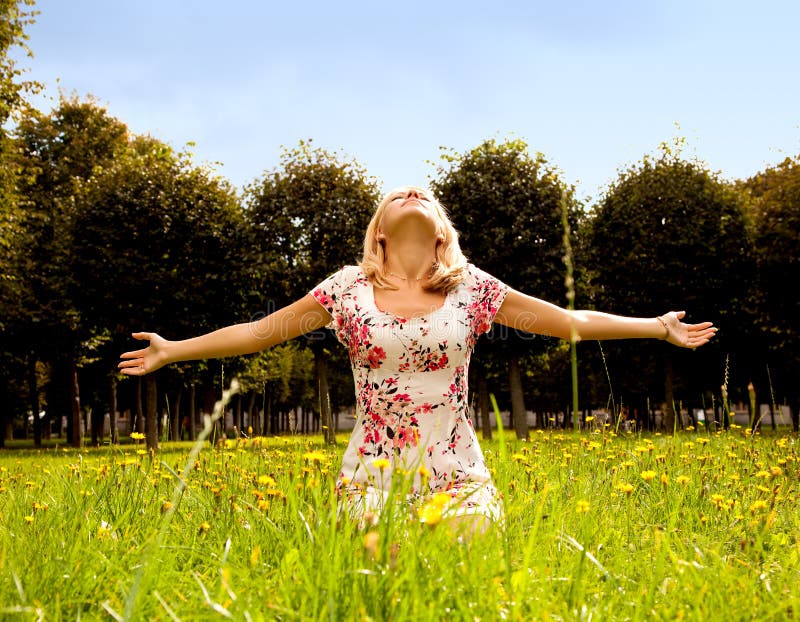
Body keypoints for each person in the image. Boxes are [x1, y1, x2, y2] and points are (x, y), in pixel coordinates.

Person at [119, 186, 716, 532]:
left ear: (440, 232)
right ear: (379, 231)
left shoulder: (472, 289)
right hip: (372, 472)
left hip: (457, 471)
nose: (411, 191)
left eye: (423, 195)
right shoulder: (345, 289)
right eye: (398, 194)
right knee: (377, 560)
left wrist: (656, 328)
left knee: (464, 549)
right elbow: (258, 333)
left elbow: (569, 323)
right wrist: (174, 351)